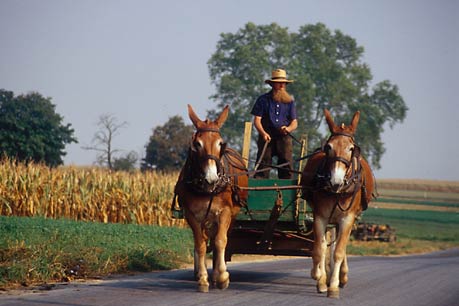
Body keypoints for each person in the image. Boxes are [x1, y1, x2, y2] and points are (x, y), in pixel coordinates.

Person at [251, 68, 298, 179]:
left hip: (284, 137)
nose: (282, 85)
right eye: (279, 83)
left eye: (283, 83)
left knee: (286, 163)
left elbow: (294, 122)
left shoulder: (290, 102)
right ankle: (260, 188)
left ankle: (286, 189)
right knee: (264, 162)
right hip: (267, 136)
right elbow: (257, 120)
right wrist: (263, 133)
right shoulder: (263, 100)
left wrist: (288, 129)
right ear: (273, 84)